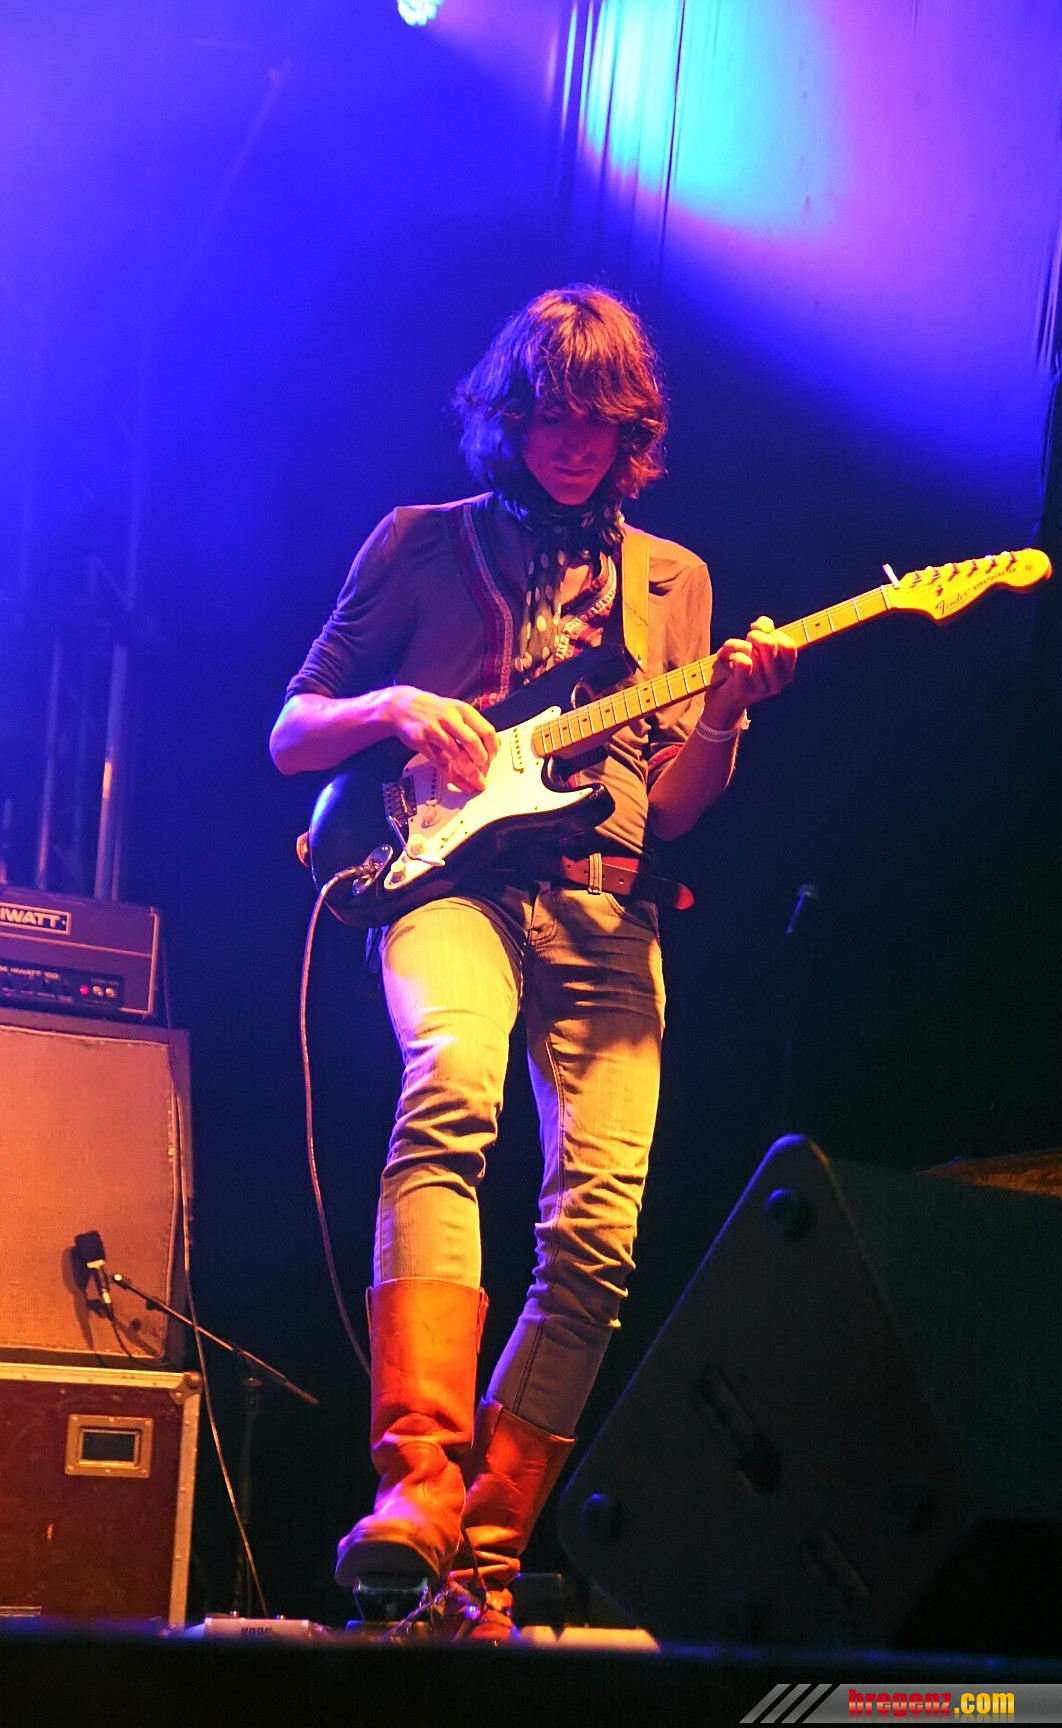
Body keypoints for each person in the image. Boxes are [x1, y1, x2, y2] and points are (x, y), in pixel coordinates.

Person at [269, 284, 796, 1640]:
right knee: (451, 1088)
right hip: (449, 880)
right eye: (550, 415)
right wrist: (399, 705)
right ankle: (415, 1484)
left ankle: (479, 1560)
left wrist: (726, 715)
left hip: (610, 905)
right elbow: (293, 732)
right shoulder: (418, 543)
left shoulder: (676, 582)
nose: (572, 442)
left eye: (598, 421)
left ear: (633, 433)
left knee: (600, 1232)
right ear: (508, 418)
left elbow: (675, 809)